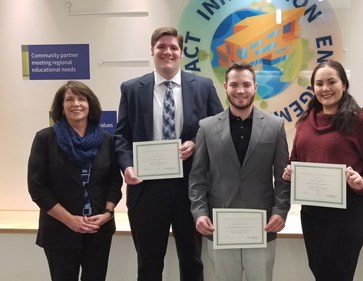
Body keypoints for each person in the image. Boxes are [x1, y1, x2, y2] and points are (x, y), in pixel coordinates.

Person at [114, 26, 223, 281]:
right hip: (146, 190)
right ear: (152, 51)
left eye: (173, 47)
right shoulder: (131, 89)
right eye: (161, 47)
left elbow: (218, 127)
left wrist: (195, 142)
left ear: (181, 53)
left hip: (191, 189)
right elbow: (121, 135)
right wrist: (127, 166)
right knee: (149, 264)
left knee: (192, 261)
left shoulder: (203, 86)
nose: (167, 52)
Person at [282, 59, 363, 281]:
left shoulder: (360, 122)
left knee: (339, 274)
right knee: (320, 272)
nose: (325, 88)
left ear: (344, 85)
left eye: (332, 82)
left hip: (348, 216)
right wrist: (291, 171)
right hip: (313, 215)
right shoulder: (305, 121)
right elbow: (295, 159)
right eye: (319, 83)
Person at [189, 62, 290, 281]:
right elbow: (197, 177)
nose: (240, 90)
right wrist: (199, 213)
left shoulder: (275, 126)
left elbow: (283, 177)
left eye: (246, 84)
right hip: (219, 226)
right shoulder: (206, 127)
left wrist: (280, 211)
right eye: (234, 85)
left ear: (255, 87)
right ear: (225, 87)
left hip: (262, 226)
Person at [27, 81, 123, 281]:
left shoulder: (107, 140)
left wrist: (107, 213)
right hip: (59, 230)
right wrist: (69, 220)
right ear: (61, 107)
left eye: (81, 99)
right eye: (69, 99)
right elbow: (37, 187)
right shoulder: (45, 139)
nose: (76, 104)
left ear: (91, 105)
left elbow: (114, 182)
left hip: (98, 230)